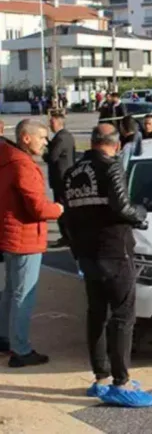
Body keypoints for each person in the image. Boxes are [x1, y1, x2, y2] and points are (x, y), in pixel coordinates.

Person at [63, 124, 152, 408]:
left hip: (88, 254)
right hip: (114, 251)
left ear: (92, 142)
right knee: (122, 316)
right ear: (116, 145)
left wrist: (77, 248)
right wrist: (140, 215)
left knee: (97, 315)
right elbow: (122, 207)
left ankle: (101, 378)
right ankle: (122, 382)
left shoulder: (73, 173)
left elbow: (66, 216)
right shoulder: (111, 167)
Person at [0, 119, 63, 367]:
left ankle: (5, 337)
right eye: (42, 137)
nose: (45, 143)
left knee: (11, 292)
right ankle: (21, 349)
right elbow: (37, 208)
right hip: (25, 237)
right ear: (26, 138)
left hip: (11, 234)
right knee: (23, 295)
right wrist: (57, 209)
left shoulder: (7, 160)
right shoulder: (23, 165)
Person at [43, 113, 76, 247]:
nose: (50, 125)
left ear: (59, 123)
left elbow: (52, 157)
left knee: (61, 207)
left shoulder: (61, 138)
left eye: (52, 122)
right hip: (63, 177)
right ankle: (66, 236)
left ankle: (67, 236)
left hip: (61, 178)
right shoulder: (65, 136)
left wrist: (44, 152)